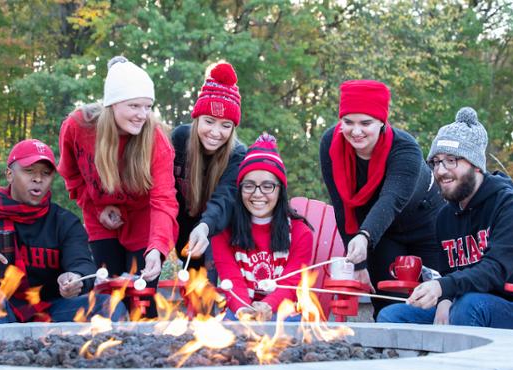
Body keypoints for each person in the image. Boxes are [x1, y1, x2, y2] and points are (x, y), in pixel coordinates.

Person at [0, 139, 128, 324]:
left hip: (51, 309)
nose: (38, 179)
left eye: (46, 173)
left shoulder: (64, 222)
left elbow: (83, 265)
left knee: (109, 306)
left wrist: (75, 278)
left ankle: (98, 358)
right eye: (29, 171)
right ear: (10, 174)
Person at [377, 107, 513, 329]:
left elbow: (495, 271)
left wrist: (443, 288)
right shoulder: (445, 217)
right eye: (436, 162)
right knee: (392, 316)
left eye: (451, 160)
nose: (441, 171)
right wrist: (444, 300)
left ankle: (457, 364)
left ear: (476, 166)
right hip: (463, 303)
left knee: (469, 306)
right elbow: (450, 274)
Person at [58, 56, 178, 313]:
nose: (142, 115)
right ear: (112, 104)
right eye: (134, 106)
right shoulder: (78, 127)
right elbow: (72, 176)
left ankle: (146, 344)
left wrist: (157, 249)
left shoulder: (156, 140)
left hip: (143, 221)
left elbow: (164, 200)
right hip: (100, 219)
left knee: (141, 298)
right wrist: (94, 207)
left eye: (147, 107)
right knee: (108, 295)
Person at [319, 80, 445, 317]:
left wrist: (365, 236)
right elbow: (342, 205)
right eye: (348, 122)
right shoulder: (330, 144)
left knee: (432, 303)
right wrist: (358, 263)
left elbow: (392, 198)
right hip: (381, 232)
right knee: (387, 303)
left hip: (426, 223)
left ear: (381, 122)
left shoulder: (405, 148)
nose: (356, 132)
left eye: (365, 123)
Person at [212, 134, 313, 320]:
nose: (257, 194)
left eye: (268, 186)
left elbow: (291, 282)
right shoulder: (223, 232)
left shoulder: (300, 233)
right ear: (240, 188)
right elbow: (231, 279)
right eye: (249, 185)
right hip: (240, 308)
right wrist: (243, 309)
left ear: (280, 189)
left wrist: (268, 306)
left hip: (283, 311)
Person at [172, 62, 246, 282]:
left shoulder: (237, 153)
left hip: (217, 228)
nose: (215, 132)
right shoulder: (180, 139)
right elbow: (166, 191)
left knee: (210, 287)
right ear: (197, 119)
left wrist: (204, 227)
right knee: (187, 289)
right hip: (181, 226)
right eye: (209, 121)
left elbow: (225, 198)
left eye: (226, 125)